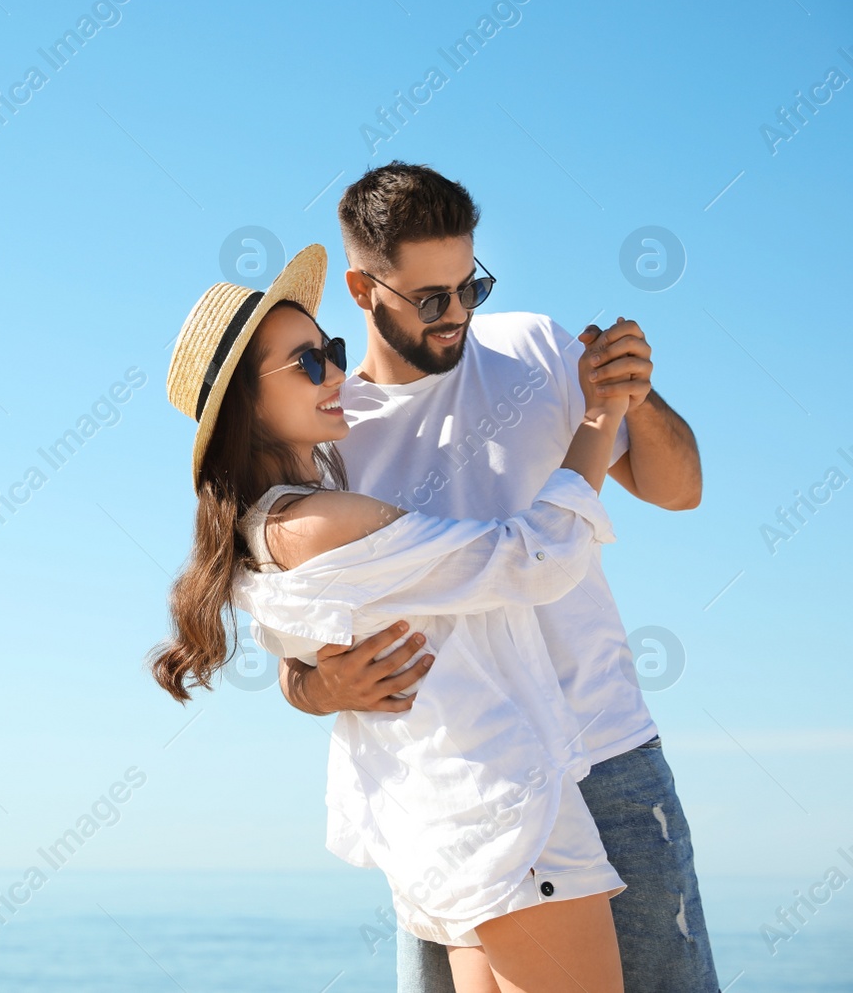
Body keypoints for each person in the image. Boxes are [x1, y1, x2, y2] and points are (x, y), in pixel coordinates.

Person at [277, 162, 715, 993]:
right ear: (364, 291)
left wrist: (634, 396)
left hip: (607, 758)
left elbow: (680, 490)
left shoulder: (537, 349)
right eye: (432, 299)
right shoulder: (332, 440)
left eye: (469, 286)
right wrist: (322, 685)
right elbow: (296, 655)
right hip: (450, 792)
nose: (459, 315)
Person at [156, 243, 631, 991]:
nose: (338, 374)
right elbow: (536, 557)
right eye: (308, 364)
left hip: (438, 828)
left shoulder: (261, 536)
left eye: (332, 350)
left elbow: (309, 671)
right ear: (249, 405)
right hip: (505, 814)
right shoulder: (320, 522)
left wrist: (315, 687)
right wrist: (601, 412)